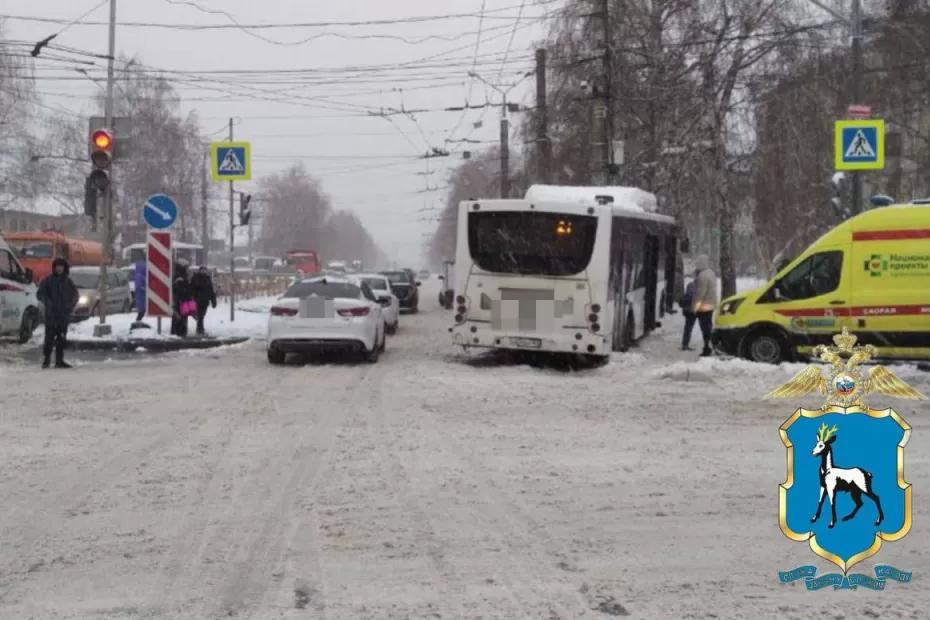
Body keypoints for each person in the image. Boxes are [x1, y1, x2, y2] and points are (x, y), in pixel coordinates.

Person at [36, 257, 78, 369]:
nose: (59, 269)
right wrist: (48, 302)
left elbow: (75, 295)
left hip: (63, 316)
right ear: (54, 268)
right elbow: (40, 294)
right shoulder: (48, 280)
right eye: (57, 266)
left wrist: (70, 306)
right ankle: (46, 360)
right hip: (51, 316)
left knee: (61, 339)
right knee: (49, 339)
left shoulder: (67, 281)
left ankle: (59, 360)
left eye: (61, 266)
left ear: (64, 268)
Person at [692, 255, 718, 357]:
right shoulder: (711, 273)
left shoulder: (702, 276)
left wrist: (695, 307)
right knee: (708, 326)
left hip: (704, 307)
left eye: (698, 263)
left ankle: (707, 347)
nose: (697, 265)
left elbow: (700, 294)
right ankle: (709, 346)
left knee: (705, 329)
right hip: (711, 305)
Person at [190, 266, 217, 336]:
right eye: (202, 270)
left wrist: (213, 301)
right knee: (200, 316)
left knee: (202, 316)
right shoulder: (195, 278)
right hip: (197, 301)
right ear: (199, 271)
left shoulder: (207, 279)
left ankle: (199, 329)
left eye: (205, 270)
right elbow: (191, 289)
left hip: (205, 302)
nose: (203, 272)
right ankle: (200, 331)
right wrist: (192, 298)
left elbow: (211, 291)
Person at [171, 262, 193, 337]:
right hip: (181, 302)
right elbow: (181, 291)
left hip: (180, 301)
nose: (187, 269)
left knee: (180, 317)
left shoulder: (178, 276)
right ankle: (180, 333)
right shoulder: (180, 278)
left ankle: (178, 332)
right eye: (186, 267)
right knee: (181, 318)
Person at [679, 278, 697, 351]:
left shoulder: (690, 284)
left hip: (687, 310)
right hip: (692, 310)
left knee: (688, 327)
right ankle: (685, 345)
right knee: (689, 327)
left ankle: (685, 344)